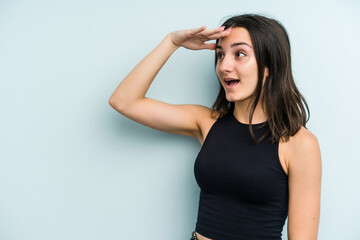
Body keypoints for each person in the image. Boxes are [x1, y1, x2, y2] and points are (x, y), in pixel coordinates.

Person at [109, 14, 322, 240]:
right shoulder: (207, 123)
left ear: (269, 65)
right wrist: (172, 42)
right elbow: (123, 101)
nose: (224, 66)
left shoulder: (299, 143)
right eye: (220, 55)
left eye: (239, 54)